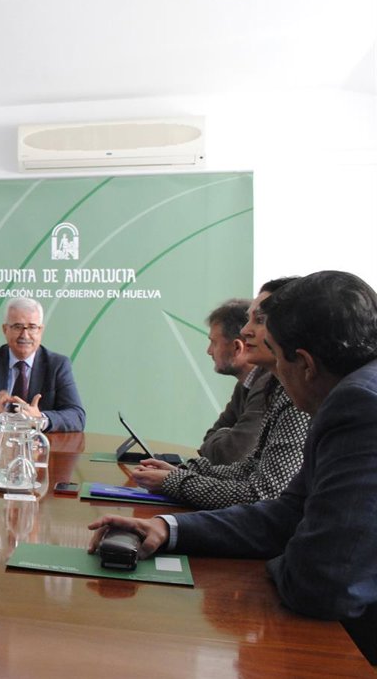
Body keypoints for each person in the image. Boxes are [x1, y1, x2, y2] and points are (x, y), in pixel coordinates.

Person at [89, 271, 377, 663]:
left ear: (306, 364)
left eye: (277, 355)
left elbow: (321, 583)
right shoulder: (352, 394)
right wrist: (167, 528)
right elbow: (286, 513)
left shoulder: (358, 405)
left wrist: (282, 559)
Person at [131, 279, 309, 509]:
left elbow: (262, 493)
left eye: (260, 320)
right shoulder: (275, 386)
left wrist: (175, 481)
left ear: (290, 326)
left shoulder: (297, 395)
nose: (245, 331)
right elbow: (248, 467)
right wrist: (182, 472)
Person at [0, 297, 85, 431]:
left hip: (38, 443)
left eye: (32, 327)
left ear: (40, 330)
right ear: (5, 329)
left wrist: (40, 419)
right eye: (17, 327)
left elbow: (77, 416)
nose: (25, 335)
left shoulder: (57, 365)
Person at [198, 298, 272, 464]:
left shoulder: (267, 385)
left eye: (213, 343)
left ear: (238, 347)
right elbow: (208, 439)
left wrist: (224, 434)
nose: (209, 351)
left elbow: (231, 455)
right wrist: (225, 435)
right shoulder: (244, 385)